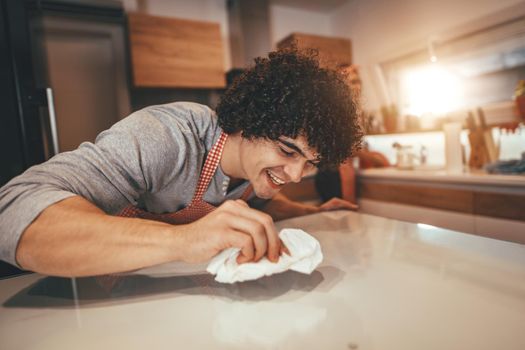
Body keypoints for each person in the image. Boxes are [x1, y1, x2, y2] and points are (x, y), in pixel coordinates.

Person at [0, 48, 362, 277]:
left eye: (309, 162)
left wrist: (305, 210)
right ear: (252, 120)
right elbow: (11, 210)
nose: (297, 174)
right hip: (90, 285)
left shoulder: (256, 169)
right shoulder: (168, 136)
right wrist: (183, 239)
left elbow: (248, 202)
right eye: (287, 151)